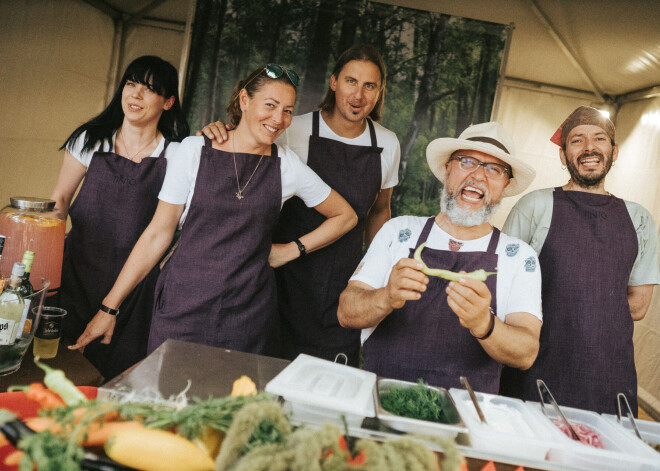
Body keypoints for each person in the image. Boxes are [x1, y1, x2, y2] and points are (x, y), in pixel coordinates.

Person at [69, 64, 357, 358]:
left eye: (287, 110)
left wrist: (291, 250)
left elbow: (345, 215)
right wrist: (109, 307)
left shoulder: (287, 165)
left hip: (247, 318)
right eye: (270, 105)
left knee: (233, 404)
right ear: (244, 100)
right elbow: (157, 234)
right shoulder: (193, 150)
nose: (278, 118)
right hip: (181, 310)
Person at [202, 45, 400, 366]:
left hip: (343, 285)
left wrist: (377, 276)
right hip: (283, 280)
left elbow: (380, 210)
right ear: (334, 82)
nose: (359, 94)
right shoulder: (294, 129)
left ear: (379, 93)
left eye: (370, 86)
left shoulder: (387, 143)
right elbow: (247, 148)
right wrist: (220, 132)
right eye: (351, 81)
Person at [337, 122, 542, 393]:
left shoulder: (518, 257)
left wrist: (485, 324)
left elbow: (526, 353)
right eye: (467, 161)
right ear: (447, 169)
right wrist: (386, 296)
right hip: (381, 400)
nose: (478, 176)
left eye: (494, 169)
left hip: (467, 417)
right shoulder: (399, 231)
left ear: (505, 184)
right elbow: (346, 312)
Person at [500, 106, 660, 415]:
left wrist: (578, 308)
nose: (589, 148)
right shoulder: (535, 206)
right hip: (535, 369)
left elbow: (639, 305)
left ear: (614, 152)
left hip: (608, 377)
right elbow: (503, 289)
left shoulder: (638, 218)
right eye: (577, 140)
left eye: (599, 139)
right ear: (562, 155)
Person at [51, 55, 189, 380]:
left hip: (135, 293)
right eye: (131, 84)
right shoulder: (91, 139)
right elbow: (59, 201)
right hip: (74, 277)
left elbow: (169, 231)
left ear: (168, 102)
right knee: (60, 373)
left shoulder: (177, 156)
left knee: (116, 383)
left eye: (149, 89)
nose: (135, 95)